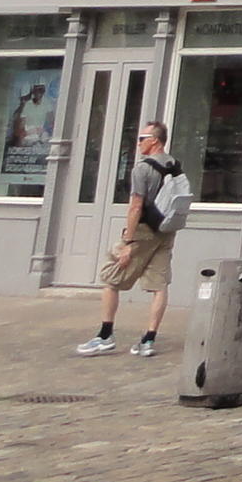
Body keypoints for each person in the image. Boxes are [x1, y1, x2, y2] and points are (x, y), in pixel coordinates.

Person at [75, 121, 178, 358]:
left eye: (142, 138)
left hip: (143, 230)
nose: (138, 142)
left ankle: (105, 336)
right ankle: (148, 340)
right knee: (159, 286)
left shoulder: (142, 169)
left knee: (111, 279)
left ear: (155, 140)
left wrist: (128, 243)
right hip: (166, 231)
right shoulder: (174, 164)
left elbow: (136, 206)